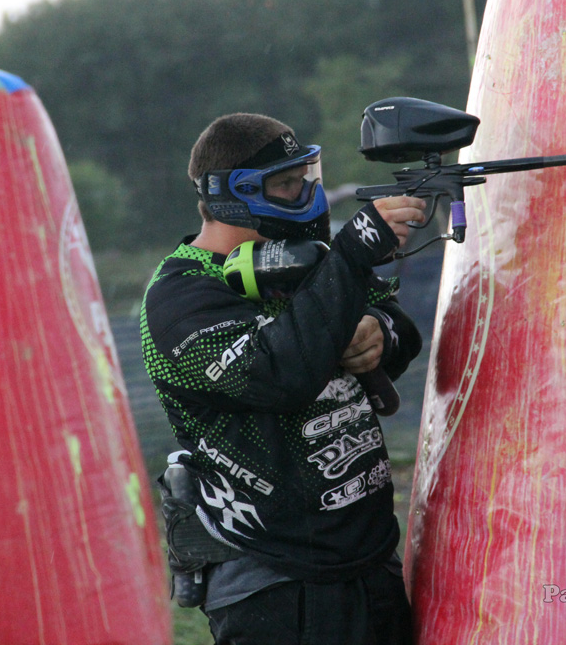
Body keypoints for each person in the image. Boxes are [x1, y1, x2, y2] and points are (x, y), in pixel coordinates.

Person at [140, 112, 428, 644]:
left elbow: (400, 329)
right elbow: (276, 374)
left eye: (306, 178)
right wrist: (351, 254)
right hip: (274, 579)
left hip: (368, 558)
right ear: (237, 193)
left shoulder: (301, 263)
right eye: (288, 184)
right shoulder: (182, 294)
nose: (307, 195)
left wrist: (377, 332)